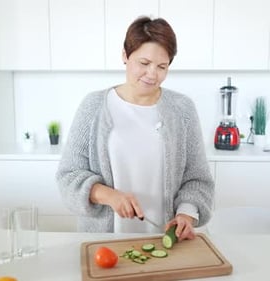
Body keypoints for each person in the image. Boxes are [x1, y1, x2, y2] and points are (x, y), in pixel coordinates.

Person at [56, 16, 214, 242]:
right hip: (104, 243)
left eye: (162, 66)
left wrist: (186, 215)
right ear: (125, 55)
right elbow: (68, 176)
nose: (152, 74)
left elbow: (197, 179)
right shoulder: (93, 107)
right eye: (144, 63)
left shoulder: (183, 109)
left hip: (165, 241)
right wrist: (109, 196)